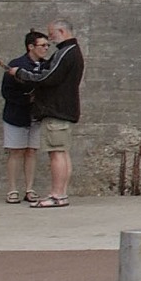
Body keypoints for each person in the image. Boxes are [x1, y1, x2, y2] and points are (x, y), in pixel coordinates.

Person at [13, 18, 83, 207]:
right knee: (62, 152)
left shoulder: (65, 53)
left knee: (56, 153)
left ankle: (56, 195)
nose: (50, 39)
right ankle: (62, 194)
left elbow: (48, 78)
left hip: (56, 110)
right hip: (65, 110)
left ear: (62, 31)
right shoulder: (73, 52)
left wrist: (21, 74)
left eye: (52, 34)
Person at [0, 30, 47, 205]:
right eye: (43, 45)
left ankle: (29, 189)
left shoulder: (46, 66)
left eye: (47, 45)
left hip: (35, 116)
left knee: (31, 151)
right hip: (15, 115)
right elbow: (6, 92)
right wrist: (27, 99)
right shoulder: (16, 64)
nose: (46, 49)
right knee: (16, 152)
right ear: (31, 47)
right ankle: (12, 190)